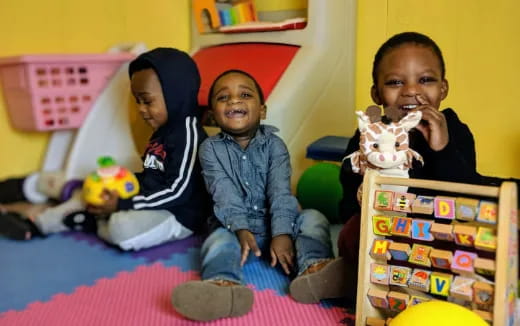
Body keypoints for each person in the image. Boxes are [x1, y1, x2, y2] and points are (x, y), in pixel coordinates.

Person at [171, 70, 350, 322]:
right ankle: (223, 286)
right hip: (234, 226)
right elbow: (223, 193)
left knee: (314, 218)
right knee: (218, 240)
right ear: (212, 114)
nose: (234, 101)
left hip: (277, 222)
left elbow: (280, 191)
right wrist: (241, 228)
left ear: (263, 111)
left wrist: (282, 233)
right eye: (224, 98)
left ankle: (315, 268)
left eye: (244, 94)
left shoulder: (275, 145)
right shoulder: (209, 149)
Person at [1, 48, 210, 251]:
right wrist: (118, 185)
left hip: (177, 215)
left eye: (147, 101)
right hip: (149, 200)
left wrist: (125, 203)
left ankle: (91, 220)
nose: (141, 109)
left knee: (122, 227)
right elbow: (150, 176)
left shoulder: (189, 136)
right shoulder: (161, 131)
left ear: (175, 94)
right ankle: (37, 223)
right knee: (91, 192)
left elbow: (177, 191)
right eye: (138, 101)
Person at [337, 32, 482, 287]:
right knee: (351, 231)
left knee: (480, 239)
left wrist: (442, 147)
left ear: (443, 88)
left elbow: (467, 200)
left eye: (425, 80)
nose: (412, 91)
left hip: (438, 238)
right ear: (376, 94)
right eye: (395, 82)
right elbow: (349, 202)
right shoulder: (369, 134)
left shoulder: (456, 130)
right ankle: (351, 279)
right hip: (385, 237)